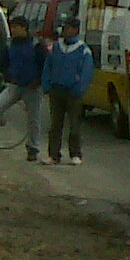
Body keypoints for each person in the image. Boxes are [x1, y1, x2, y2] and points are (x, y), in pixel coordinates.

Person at [0, 16, 45, 159]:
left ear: (24, 28)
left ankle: (33, 148)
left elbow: (45, 65)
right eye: (11, 27)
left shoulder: (37, 45)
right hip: (15, 85)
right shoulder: (9, 44)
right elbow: (3, 62)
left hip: (32, 87)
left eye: (15, 27)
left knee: (33, 118)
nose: (12, 30)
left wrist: (39, 81)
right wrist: (7, 76)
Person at [41, 17, 94, 165]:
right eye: (64, 28)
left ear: (75, 30)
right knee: (55, 125)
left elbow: (87, 72)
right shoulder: (56, 47)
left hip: (73, 92)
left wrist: (79, 89)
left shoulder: (83, 49)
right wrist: (47, 85)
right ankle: (53, 154)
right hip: (56, 90)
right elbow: (48, 67)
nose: (65, 31)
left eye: (68, 28)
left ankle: (75, 154)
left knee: (74, 125)